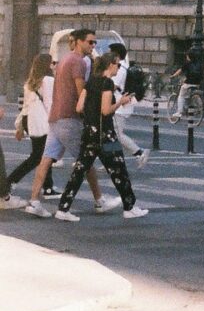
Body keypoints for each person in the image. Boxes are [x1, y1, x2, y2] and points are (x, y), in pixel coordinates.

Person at [24, 27, 117, 218]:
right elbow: (81, 91)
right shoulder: (78, 62)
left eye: (94, 42)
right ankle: (99, 200)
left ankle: (34, 201)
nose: (93, 46)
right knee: (86, 159)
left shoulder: (65, 59)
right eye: (90, 42)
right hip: (69, 118)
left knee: (45, 160)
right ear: (80, 42)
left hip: (56, 117)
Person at [55, 51, 147, 221]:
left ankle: (63, 208)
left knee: (79, 171)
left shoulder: (90, 82)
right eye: (118, 64)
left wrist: (91, 114)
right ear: (110, 64)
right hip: (106, 135)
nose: (119, 68)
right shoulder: (107, 84)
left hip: (89, 134)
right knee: (119, 170)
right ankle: (130, 207)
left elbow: (79, 107)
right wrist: (120, 102)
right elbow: (106, 111)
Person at [7, 52, 55, 197]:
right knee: (37, 156)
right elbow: (49, 104)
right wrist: (54, 123)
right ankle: (9, 181)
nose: (54, 66)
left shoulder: (30, 82)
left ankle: (48, 187)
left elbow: (25, 107)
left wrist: (20, 126)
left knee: (45, 153)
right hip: (42, 122)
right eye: (52, 63)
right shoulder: (48, 80)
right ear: (47, 65)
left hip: (30, 121)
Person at [106, 41, 148, 167]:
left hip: (120, 106)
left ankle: (139, 153)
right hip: (120, 106)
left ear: (116, 54)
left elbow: (112, 86)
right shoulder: (122, 67)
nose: (108, 54)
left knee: (117, 134)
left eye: (110, 52)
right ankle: (112, 159)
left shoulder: (120, 69)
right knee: (111, 134)